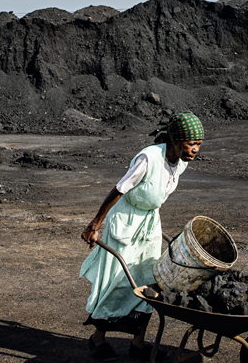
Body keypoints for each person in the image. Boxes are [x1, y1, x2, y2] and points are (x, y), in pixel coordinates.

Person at [79, 111, 204, 361]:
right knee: (116, 279)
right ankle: (97, 339)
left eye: (199, 144)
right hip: (126, 221)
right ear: (176, 140)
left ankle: (138, 343)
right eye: (192, 144)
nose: (195, 150)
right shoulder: (149, 157)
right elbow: (120, 189)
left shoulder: (180, 161)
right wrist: (95, 224)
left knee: (149, 280)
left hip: (149, 222)